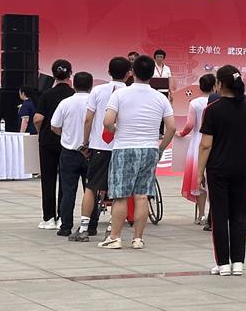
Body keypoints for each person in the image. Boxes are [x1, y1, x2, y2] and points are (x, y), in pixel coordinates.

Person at [101, 55, 175, 249]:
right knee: (142, 195)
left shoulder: (120, 94)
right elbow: (172, 127)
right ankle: (138, 239)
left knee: (120, 195)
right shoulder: (160, 97)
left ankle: (115, 237)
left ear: (132, 72)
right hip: (150, 148)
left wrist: (117, 132)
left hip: (125, 148)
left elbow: (107, 122)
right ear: (152, 74)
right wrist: (160, 148)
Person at [196, 65, 246, 277]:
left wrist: (199, 172)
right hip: (241, 168)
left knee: (220, 216)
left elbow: (205, 145)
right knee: (239, 215)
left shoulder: (212, 110)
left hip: (218, 169)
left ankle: (223, 263)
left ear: (220, 84)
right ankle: (238, 262)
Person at [78, 57, 129, 240]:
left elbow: (88, 119)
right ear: (128, 74)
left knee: (91, 187)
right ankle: (111, 228)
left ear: (108, 72)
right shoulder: (129, 92)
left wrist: (85, 142)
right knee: (118, 190)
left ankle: (83, 228)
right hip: (122, 146)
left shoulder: (97, 91)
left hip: (99, 146)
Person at [50, 71, 93, 238]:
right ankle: (91, 225)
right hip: (90, 152)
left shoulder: (66, 103)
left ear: (73, 85)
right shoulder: (95, 102)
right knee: (91, 190)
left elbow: (54, 126)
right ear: (91, 86)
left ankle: (66, 226)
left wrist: (66, 135)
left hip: (69, 151)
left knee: (68, 191)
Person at [34, 59, 74, 230]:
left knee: (48, 179)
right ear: (70, 74)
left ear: (53, 74)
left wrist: (41, 132)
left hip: (48, 141)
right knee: (66, 181)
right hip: (68, 142)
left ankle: (49, 218)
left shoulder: (46, 95)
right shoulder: (73, 95)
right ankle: (63, 217)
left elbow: (38, 119)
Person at [178, 73, 216, 223]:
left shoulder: (195, 103)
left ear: (200, 87)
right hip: (214, 141)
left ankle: (201, 214)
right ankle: (212, 214)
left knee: (199, 180)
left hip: (197, 143)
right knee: (212, 179)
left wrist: (182, 133)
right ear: (215, 86)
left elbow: (190, 124)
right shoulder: (217, 102)